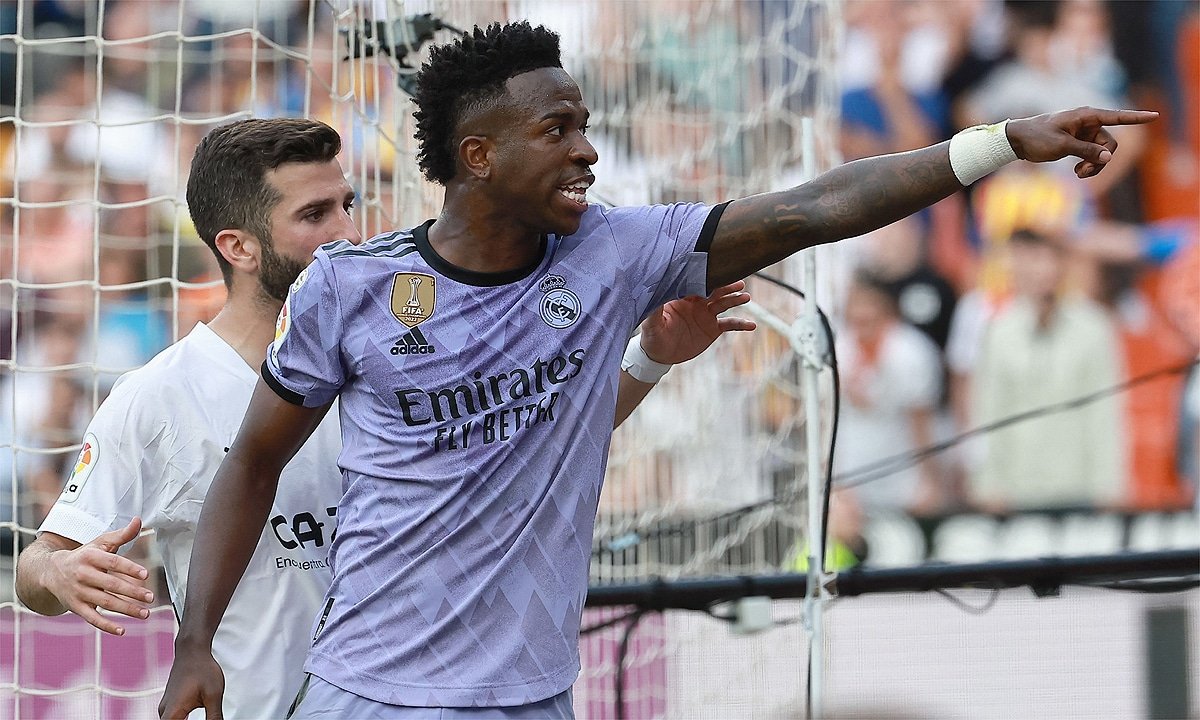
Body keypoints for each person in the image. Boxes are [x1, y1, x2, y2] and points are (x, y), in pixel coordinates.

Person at [159, 21, 1156, 719]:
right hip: (367, 694)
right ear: (477, 155)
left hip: (532, 698)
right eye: (558, 131)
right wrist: (196, 640)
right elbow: (251, 465)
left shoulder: (618, 250)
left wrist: (989, 147)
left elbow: (811, 209)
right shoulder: (349, 287)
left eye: (586, 124)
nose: (589, 153)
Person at [12, 116, 749, 719]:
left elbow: (535, 433)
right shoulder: (159, 397)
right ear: (237, 247)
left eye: (347, 205)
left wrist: (649, 357)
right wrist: (64, 571)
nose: (346, 233)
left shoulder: (401, 337)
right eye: (313, 215)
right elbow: (34, 569)